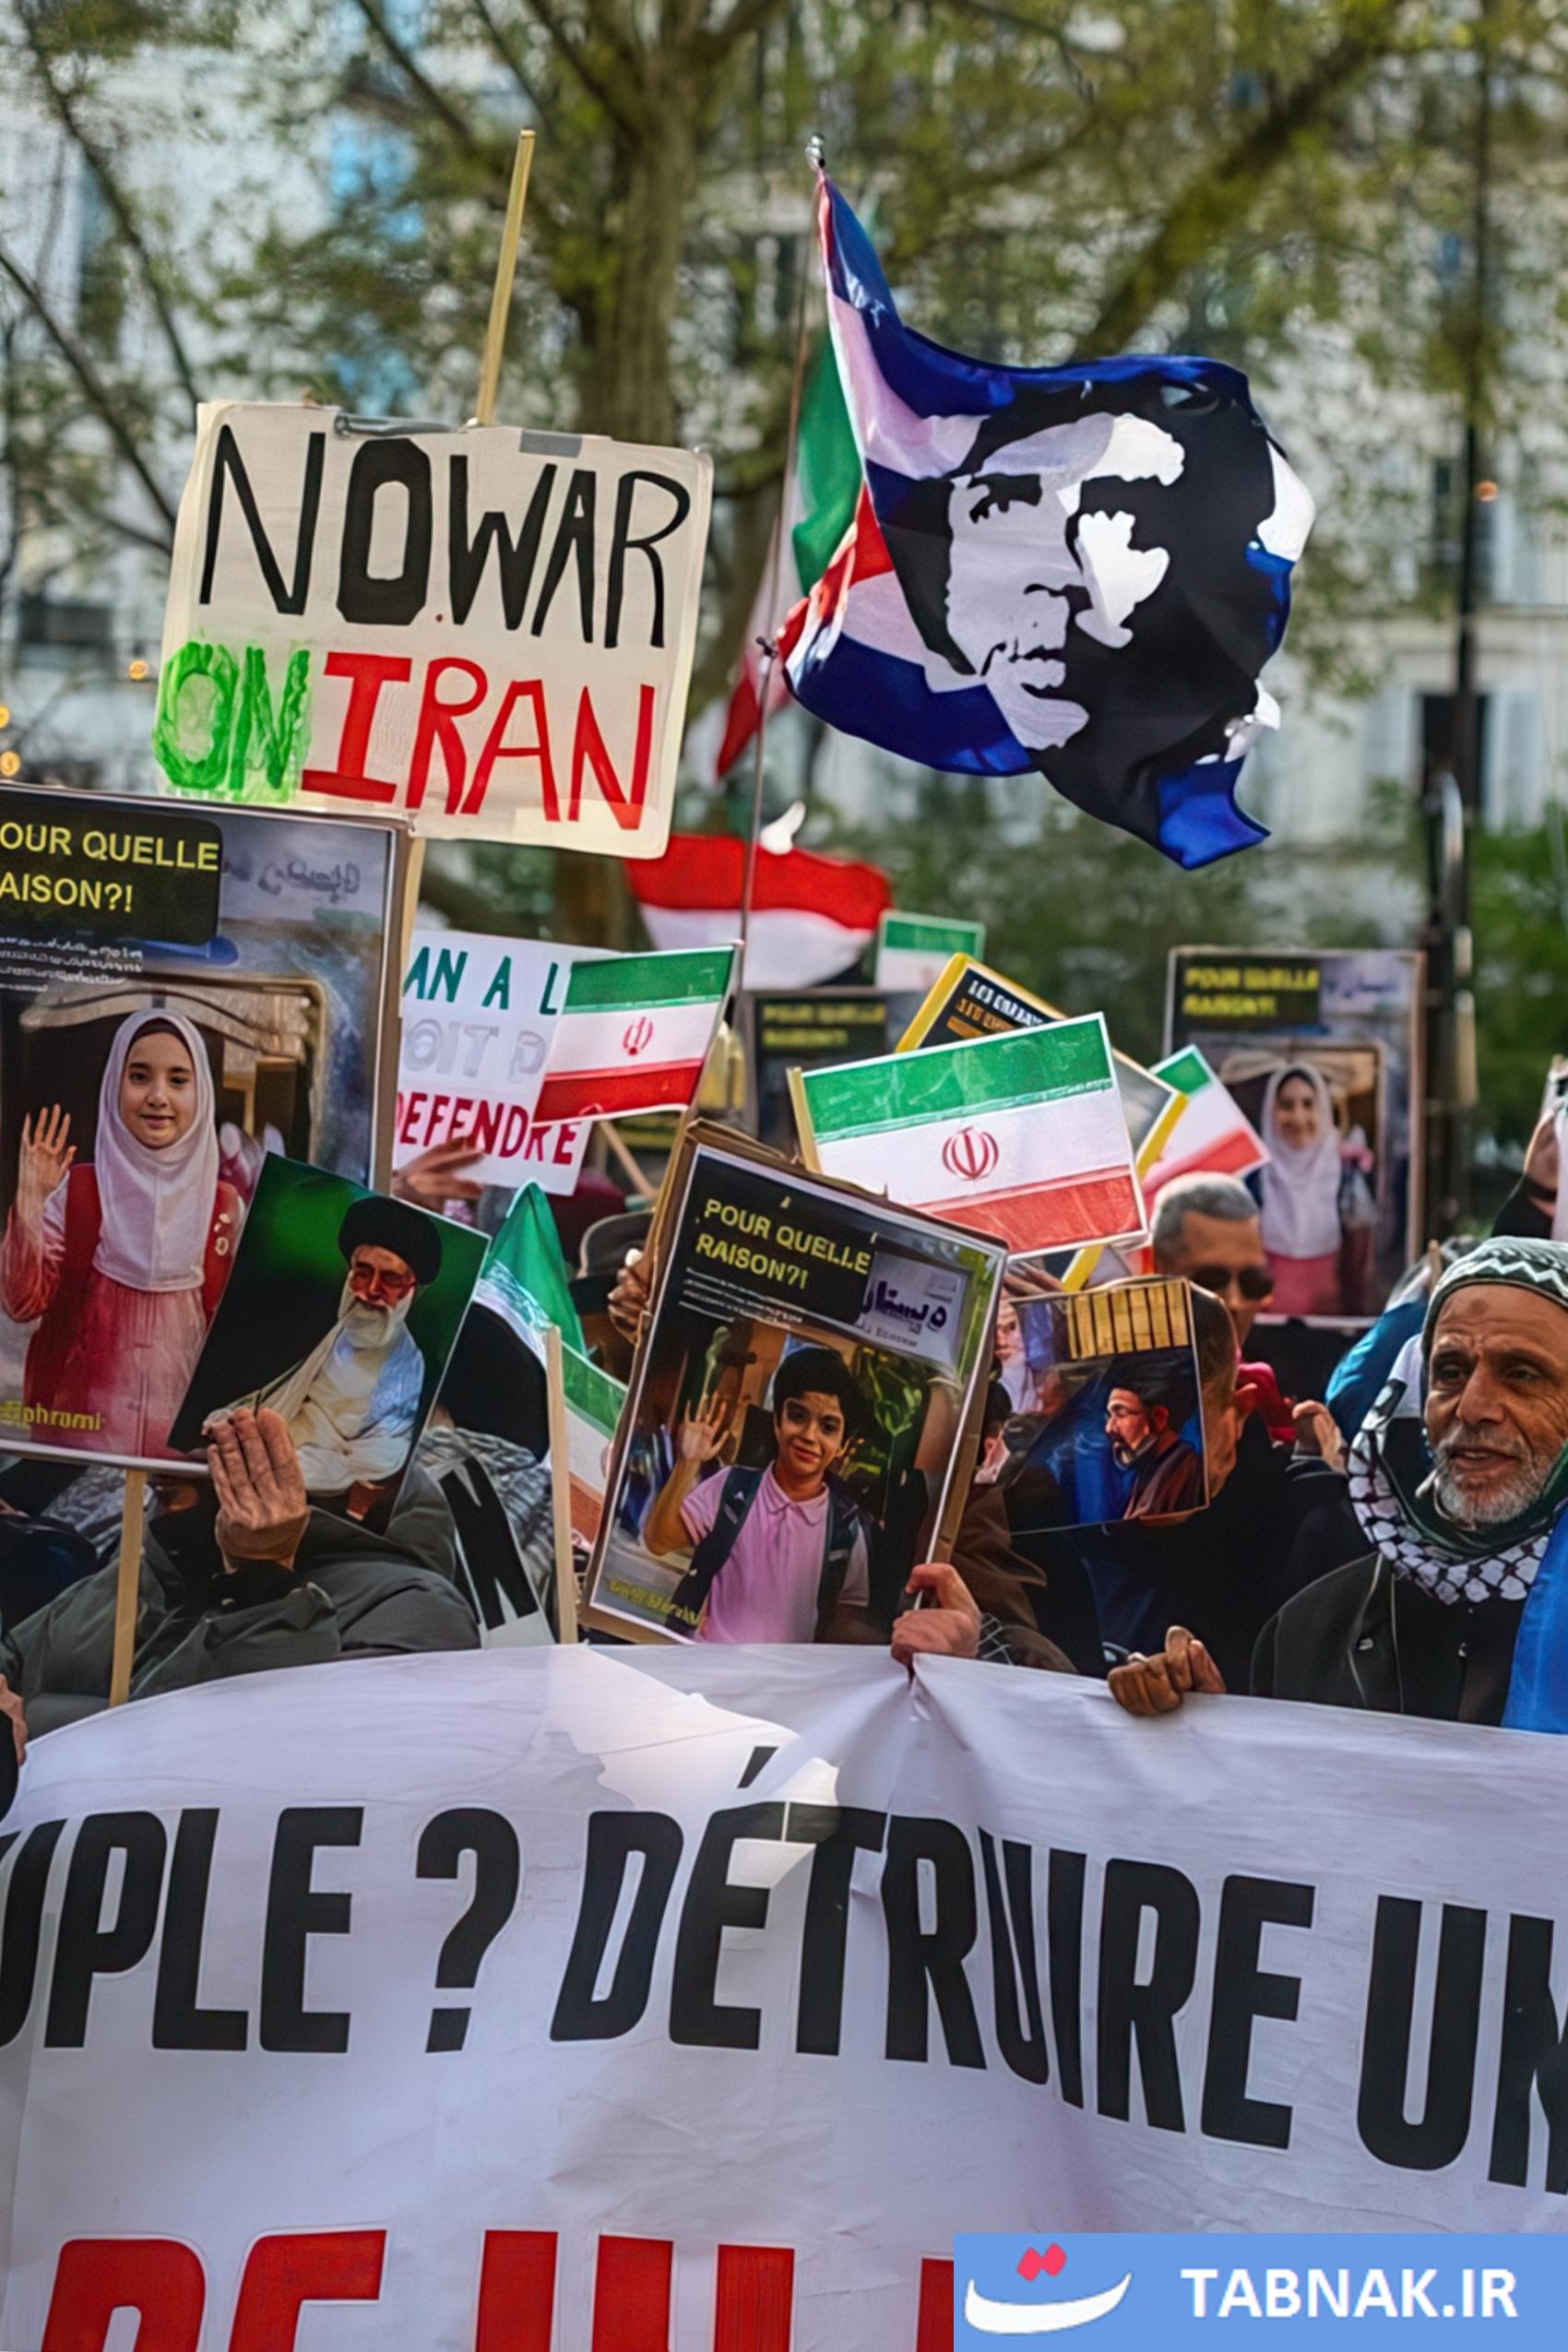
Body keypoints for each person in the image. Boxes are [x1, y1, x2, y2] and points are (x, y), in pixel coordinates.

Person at [1110, 1238, 1568, 1729]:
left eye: (1523, 1375)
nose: (1473, 1407)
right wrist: (1216, 1735)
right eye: (1451, 1372)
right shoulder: (1307, 1631)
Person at [913, 1287, 1361, 1688]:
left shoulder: (1303, 1532)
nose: (1118, 1436)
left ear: (1238, 1413)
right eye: (1108, 1412)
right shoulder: (1039, 1518)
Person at [0, 1408, 477, 1735]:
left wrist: (262, 1580)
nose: (170, 1450)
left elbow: (244, 1748)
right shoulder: (146, 1570)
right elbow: (15, 1663)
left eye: (224, 1428)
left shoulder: (415, 1607)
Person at [0, 1012, 241, 1460]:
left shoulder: (224, 1208)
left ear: (202, 1093)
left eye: (178, 1080)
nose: (157, 1096)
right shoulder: (79, 1192)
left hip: (181, 1466)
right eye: (139, 1076)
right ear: (115, 1083)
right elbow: (20, 1302)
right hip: (77, 1452)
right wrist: (31, 1200)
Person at [643, 1344, 873, 1644]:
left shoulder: (846, 1531)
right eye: (797, 1415)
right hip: (707, 1664)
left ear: (843, 1445)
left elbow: (845, 1625)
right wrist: (688, 1462)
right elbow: (658, 1541)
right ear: (777, 1420)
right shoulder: (732, 1488)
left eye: (827, 1427)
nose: (809, 1435)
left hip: (784, 1675)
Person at [228, 1197, 441, 1502]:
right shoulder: (315, 1323)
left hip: (318, 1483)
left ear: (410, 1292)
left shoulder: (408, 1363)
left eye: (390, 1279)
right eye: (363, 1273)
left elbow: (381, 1454)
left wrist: (290, 1467)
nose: (371, 1291)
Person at [1256, 1062, 1375, 1317]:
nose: (1298, 1117)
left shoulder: (1346, 1175)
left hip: (1333, 1326)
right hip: (1262, 1328)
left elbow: (1361, 1264)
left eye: (1308, 1104)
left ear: (1322, 1109)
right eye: (1286, 1105)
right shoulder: (1255, 1177)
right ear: (1270, 1111)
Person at [1103, 1361, 1203, 1517]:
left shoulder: (1181, 1468)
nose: (1109, 1428)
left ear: (1159, 1417)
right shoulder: (1152, 1468)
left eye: (1120, 1413)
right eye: (1110, 1415)